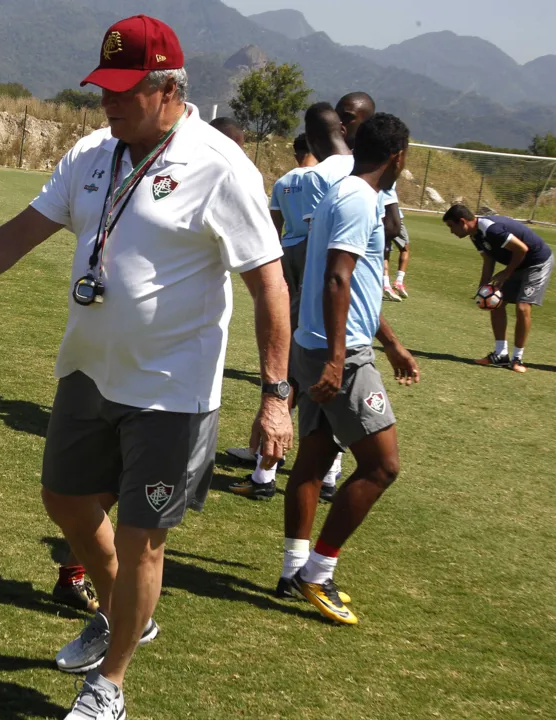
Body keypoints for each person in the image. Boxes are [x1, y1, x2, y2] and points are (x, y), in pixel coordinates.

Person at [0, 16, 292, 719]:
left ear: (170, 88)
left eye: (126, 91)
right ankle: (127, 610)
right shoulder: (93, 152)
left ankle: (110, 686)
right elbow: (23, 231)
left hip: (172, 392)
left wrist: (276, 394)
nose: (109, 104)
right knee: (62, 499)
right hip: (87, 372)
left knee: (143, 538)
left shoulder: (221, 165)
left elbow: (269, 282)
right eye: (103, 89)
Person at [282, 113, 419, 625]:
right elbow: (338, 280)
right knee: (383, 466)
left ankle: (293, 568)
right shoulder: (360, 200)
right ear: (399, 156)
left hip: (317, 345)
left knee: (315, 459)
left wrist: (394, 344)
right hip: (338, 354)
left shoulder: (345, 193)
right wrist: (341, 360)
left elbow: (354, 288)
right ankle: (317, 572)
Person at [229, 104, 351, 503]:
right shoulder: (348, 176)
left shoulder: (287, 180)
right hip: (330, 264)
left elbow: (274, 229)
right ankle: (328, 470)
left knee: (295, 362)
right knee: (321, 365)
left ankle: (264, 462)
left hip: (292, 259)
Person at [443, 204, 553, 373]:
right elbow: (488, 260)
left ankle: (517, 358)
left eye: (451, 226)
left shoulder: (491, 229)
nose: (451, 231)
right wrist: (483, 287)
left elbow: (522, 249)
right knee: (496, 301)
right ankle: (501, 354)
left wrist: (507, 273)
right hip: (516, 263)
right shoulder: (475, 235)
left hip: (536, 262)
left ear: (463, 222)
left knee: (523, 306)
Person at [335, 91, 407, 301]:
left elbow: (392, 225)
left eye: (348, 116)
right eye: (337, 114)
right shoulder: (333, 164)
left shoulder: (369, 169)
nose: (340, 122)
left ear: (368, 123)